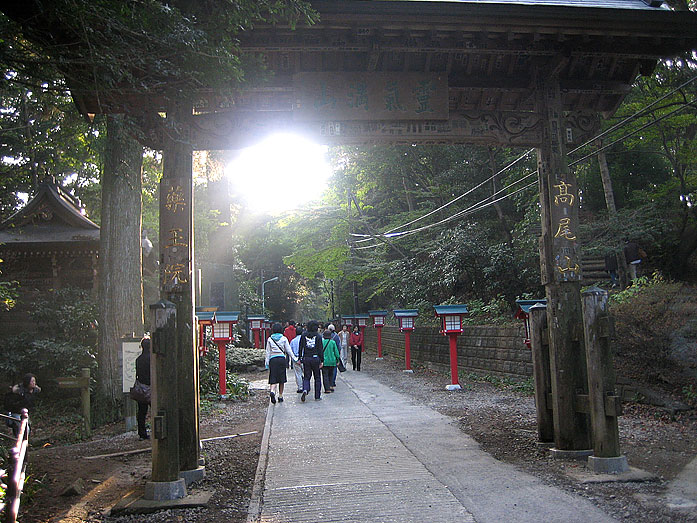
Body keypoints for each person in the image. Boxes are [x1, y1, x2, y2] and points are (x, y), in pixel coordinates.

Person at [265, 322, 297, 404]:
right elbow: (288, 350)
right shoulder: (284, 338)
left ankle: (272, 391)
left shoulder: (270, 339)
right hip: (281, 359)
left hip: (273, 359)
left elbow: (268, 352)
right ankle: (280, 395)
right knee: (281, 378)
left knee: (273, 377)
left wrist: (267, 363)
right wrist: (294, 358)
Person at [4, 373, 41, 438]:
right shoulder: (19, 391)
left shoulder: (35, 390)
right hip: (16, 412)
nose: (34, 383)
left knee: (26, 429)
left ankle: (22, 443)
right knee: (23, 429)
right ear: (27, 382)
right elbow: (11, 404)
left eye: (34, 381)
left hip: (25, 412)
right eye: (32, 381)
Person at [298, 320, 324, 401]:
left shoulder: (303, 335)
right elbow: (320, 349)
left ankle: (305, 389)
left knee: (306, 376)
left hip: (306, 358)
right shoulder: (318, 336)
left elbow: (300, 347)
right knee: (317, 377)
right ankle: (317, 396)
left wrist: (300, 358)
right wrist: (322, 360)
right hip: (316, 358)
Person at [135, 338, 151, 439]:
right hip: (151, 387)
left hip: (141, 387)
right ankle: (156, 430)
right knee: (156, 410)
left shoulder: (138, 359)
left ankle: (142, 432)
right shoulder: (152, 359)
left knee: (141, 411)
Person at [289, 325, 304, 393]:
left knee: (298, 374)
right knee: (306, 373)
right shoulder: (305, 340)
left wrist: (294, 359)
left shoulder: (293, 341)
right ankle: (306, 386)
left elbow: (290, 351)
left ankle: (300, 387)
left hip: (296, 359)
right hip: (304, 358)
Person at [327, 324, 342, 389]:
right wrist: (338, 355)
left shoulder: (325, 335)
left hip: (326, 354)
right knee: (334, 369)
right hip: (334, 355)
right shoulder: (336, 336)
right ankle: (332, 381)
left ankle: (328, 382)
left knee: (326, 370)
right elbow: (339, 346)